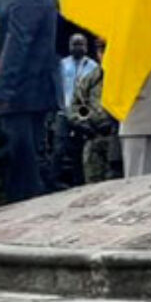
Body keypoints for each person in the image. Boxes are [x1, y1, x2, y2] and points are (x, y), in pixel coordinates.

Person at [0, 0, 60, 205]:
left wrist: (2, 89)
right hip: (35, 90)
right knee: (29, 160)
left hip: (22, 93)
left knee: (20, 166)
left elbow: (19, 43)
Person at [68, 44, 119, 183]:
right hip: (93, 139)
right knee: (92, 183)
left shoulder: (123, 78)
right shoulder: (90, 79)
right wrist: (86, 122)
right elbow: (76, 106)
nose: (103, 54)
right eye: (101, 50)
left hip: (116, 140)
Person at [55, 33, 96, 188]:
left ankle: (80, 181)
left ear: (86, 47)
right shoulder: (62, 65)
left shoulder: (93, 67)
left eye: (81, 44)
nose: (78, 47)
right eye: (75, 44)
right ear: (69, 46)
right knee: (59, 148)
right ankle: (56, 181)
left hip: (82, 112)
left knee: (79, 148)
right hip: (64, 111)